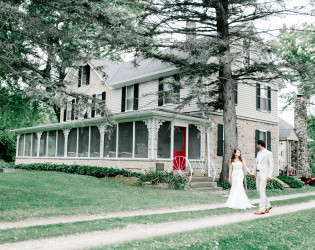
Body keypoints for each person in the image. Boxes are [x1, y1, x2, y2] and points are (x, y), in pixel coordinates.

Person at [251, 140, 274, 215]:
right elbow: (256, 164)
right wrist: (253, 173)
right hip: (257, 173)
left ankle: (261, 209)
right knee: (259, 190)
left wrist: (269, 176)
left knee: (262, 190)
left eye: (257, 144)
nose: (256, 145)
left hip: (264, 174)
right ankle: (268, 205)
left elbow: (271, 165)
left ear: (260, 144)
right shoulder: (258, 153)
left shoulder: (268, 153)